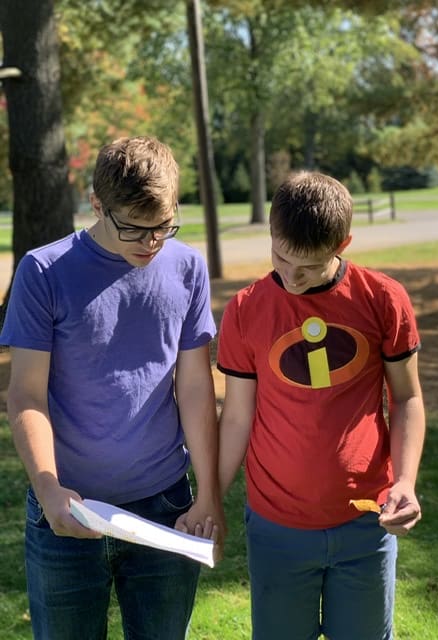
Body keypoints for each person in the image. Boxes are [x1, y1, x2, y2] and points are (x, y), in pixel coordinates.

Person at [0, 135, 225, 640]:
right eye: (134, 228)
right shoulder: (43, 272)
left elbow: (194, 388)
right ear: (97, 205)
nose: (150, 243)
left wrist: (208, 494)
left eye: (163, 227)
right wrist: (49, 489)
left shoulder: (186, 267)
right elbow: (27, 396)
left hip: (166, 507)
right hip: (68, 510)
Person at [217, 171, 425, 640]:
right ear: (270, 233)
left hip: (364, 522)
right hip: (276, 526)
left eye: (308, 267)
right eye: (281, 258)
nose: (291, 278)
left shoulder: (383, 299)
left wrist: (406, 482)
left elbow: (408, 398)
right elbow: (236, 416)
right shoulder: (246, 310)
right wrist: (211, 496)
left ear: (343, 244)